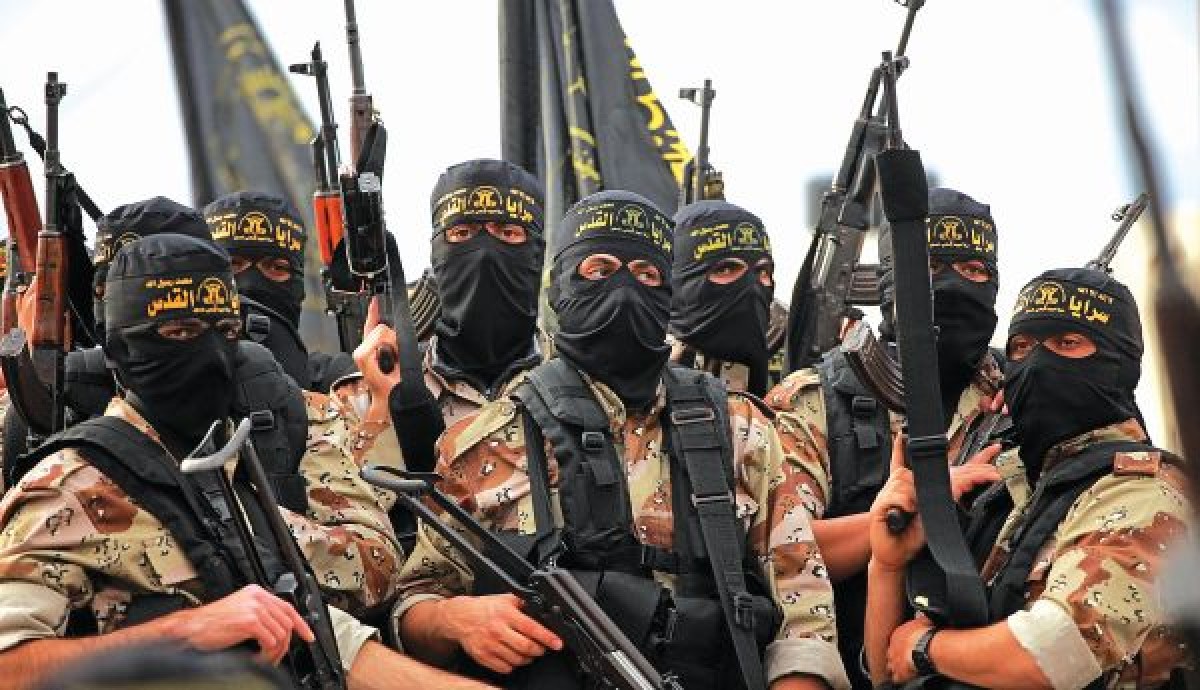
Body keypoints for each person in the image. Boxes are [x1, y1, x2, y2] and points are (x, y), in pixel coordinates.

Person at [392, 190, 849, 690]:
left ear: (668, 294)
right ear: (561, 288)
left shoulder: (740, 429)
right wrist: (456, 620)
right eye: (600, 269)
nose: (625, 289)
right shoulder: (485, 440)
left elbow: (805, 609)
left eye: (647, 274)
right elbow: (415, 604)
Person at [0, 233, 489, 690]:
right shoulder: (68, 486)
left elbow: (319, 638)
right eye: (181, 330)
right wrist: (187, 632)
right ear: (120, 349)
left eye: (227, 331)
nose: (212, 354)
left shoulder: (222, 470)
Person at [865, 267, 1192, 689]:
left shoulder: (1144, 492)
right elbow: (888, 672)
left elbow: (1057, 653)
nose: (1036, 363)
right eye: (1021, 347)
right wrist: (887, 564)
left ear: (1118, 362)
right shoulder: (1005, 490)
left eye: (1067, 343)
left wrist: (928, 649)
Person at [766, 187, 1006, 688]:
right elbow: (779, 549)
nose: (956, 286)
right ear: (892, 279)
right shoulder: (817, 398)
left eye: (975, 270)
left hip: (985, 660)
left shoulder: (1018, 394)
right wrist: (919, 507)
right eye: (931, 268)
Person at [349, 158, 546, 477]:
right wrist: (384, 406)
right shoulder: (363, 394)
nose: (484, 253)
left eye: (507, 233)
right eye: (462, 233)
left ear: (537, 252)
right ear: (436, 252)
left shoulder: (581, 389)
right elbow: (349, 501)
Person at [203, 191, 355, 393]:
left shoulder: (337, 385)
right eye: (232, 266)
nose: (251, 285)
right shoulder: (172, 384)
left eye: (276, 267)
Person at [668, 199, 776, 396]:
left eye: (762, 271)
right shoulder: (641, 379)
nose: (752, 288)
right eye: (726, 269)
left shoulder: (793, 369)